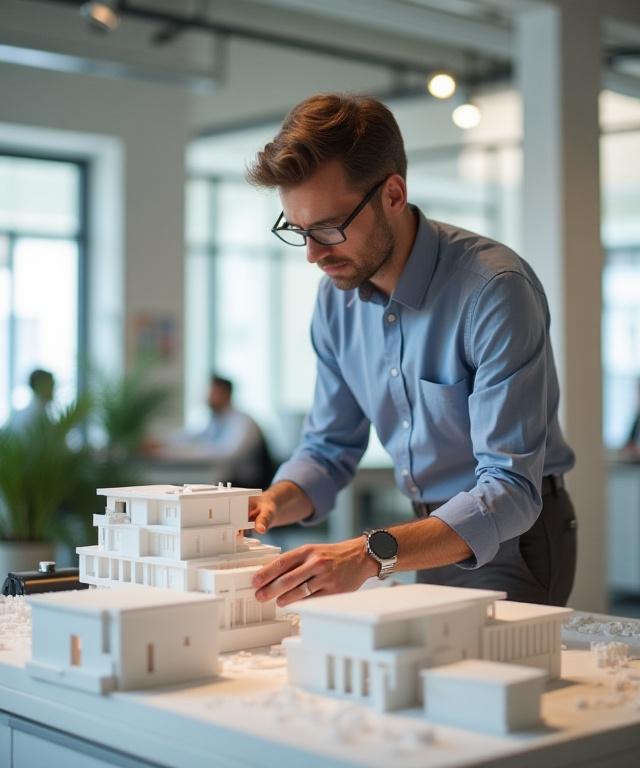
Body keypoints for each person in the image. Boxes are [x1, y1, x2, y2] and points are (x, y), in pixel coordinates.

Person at [245, 92, 577, 609]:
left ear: (393, 194)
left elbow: (510, 488)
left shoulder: (493, 290)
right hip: (422, 537)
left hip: (515, 537)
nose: (312, 255)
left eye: (329, 228)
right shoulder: (337, 300)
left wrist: (368, 554)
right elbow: (329, 449)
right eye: (299, 230)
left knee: (487, 686)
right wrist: (271, 502)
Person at [155, 374, 274, 490]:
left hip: (247, 485)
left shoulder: (243, 422)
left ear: (225, 394)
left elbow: (227, 454)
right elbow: (191, 436)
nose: (207, 396)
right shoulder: (214, 421)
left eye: (212, 392)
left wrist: (177, 452)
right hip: (226, 479)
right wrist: (162, 444)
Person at [9, 368, 55, 434]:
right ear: (40, 385)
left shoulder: (41, 410)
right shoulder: (34, 413)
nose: (54, 389)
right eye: (51, 384)